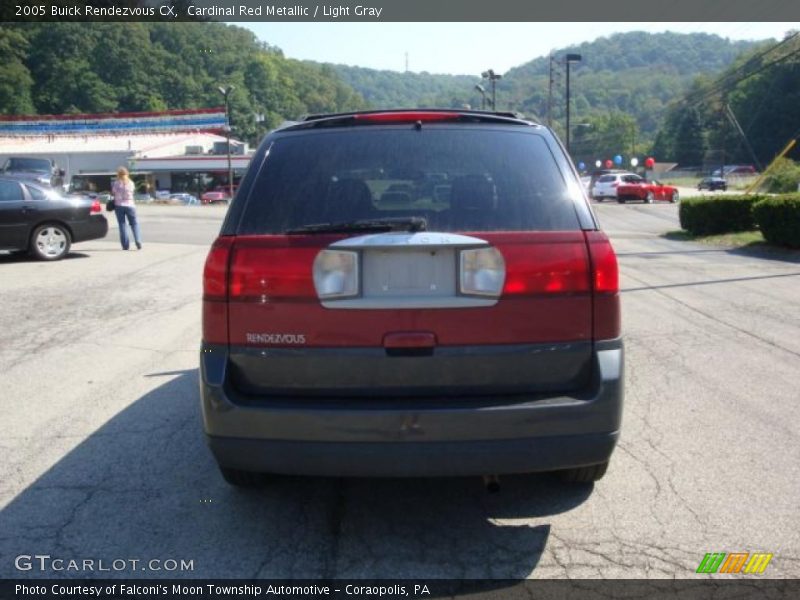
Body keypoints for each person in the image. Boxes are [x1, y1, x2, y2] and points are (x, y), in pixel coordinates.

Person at [111, 167, 142, 250]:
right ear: (127, 174)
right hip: (130, 205)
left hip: (119, 205)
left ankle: (125, 245)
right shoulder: (131, 183)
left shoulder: (116, 183)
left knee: (122, 225)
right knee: (134, 223)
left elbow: (113, 192)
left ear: (118, 174)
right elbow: (132, 192)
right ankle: (138, 240)